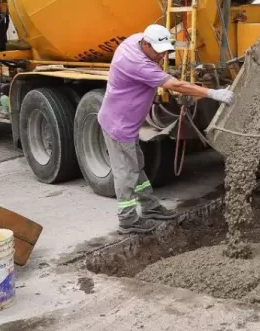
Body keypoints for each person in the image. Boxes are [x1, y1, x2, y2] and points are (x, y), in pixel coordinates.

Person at [98, 24, 234, 234]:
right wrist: (212, 93)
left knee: (137, 166)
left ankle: (150, 207)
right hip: (119, 126)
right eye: (158, 53)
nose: (161, 58)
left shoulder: (135, 40)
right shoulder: (137, 64)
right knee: (126, 173)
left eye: (165, 53)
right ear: (145, 44)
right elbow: (176, 86)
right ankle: (127, 220)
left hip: (128, 123)